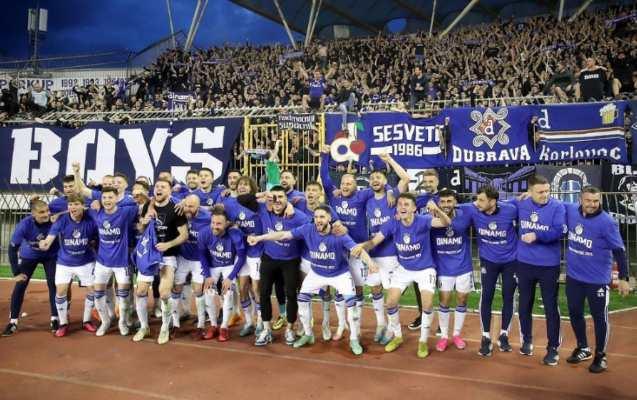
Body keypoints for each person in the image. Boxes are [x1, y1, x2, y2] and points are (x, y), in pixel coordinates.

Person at [249, 205, 376, 355]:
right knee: (302, 300)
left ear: (329, 218)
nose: (318, 220)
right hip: (316, 273)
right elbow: (283, 235)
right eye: (316, 217)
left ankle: (354, 339)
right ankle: (308, 334)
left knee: (351, 306)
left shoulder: (339, 234)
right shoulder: (308, 229)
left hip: (339, 274)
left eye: (322, 217)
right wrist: (259, 238)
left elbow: (357, 250)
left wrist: (370, 263)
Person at [357, 192, 450, 358]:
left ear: (414, 208)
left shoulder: (423, 220)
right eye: (400, 204)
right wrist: (360, 247)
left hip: (425, 269)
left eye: (406, 204)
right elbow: (374, 241)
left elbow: (446, 222)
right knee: (390, 302)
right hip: (404, 269)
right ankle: (398, 336)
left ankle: (423, 341)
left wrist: (437, 210)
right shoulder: (393, 222)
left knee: (427, 304)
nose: (402, 207)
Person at [564, 185, 630, 373]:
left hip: (597, 280)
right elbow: (550, 201)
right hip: (574, 277)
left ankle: (601, 356)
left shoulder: (607, 222)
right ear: (580, 200)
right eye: (588, 200)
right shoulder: (571, 210)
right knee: (575, 313)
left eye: (596, 201)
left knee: (599, 317)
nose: (592, 204)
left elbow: (619, 251)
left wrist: (624, 277)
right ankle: (583, 347)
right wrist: (528, 194)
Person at [513, 175, 565, 365]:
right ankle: (527, 340)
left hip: (548, 266)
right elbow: (500, 203)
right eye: (540, 192)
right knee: (524, 304)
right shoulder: (521, 202)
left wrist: (537, 235)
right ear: (530, 191)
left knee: (550, 307)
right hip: (524, 263)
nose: (545, 195)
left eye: (547, 191)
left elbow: (559, 231)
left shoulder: (557, 206)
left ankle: (553, 348)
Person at [461, 185, 518, 357]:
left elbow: (522, 203)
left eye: (481, 200)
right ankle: (485, 337)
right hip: (488, 261)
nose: (477, 203)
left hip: (511, 262)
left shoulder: (510, 210)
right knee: (486, 296)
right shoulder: (473, 209)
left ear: (492, 201)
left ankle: (504, 335)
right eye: (476, 199)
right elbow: (452, 204)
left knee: (508, 296)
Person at [251, 185, 310, 346]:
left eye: (281, 197)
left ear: (287, 199)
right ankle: (266, 329)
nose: (277, 200)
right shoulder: (263, 209)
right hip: (269, 258)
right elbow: (242, 199)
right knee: (264, 293)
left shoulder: (298, 217)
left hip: (290, 260)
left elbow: (309, 232)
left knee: (291, 294)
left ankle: (290, 328)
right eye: (274, 197)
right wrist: (264, 194)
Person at [364, 153, 410, 344]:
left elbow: (405, 178)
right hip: (373, 253)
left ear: (385, 181)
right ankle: (381, 324)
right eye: (372, 178)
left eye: (379, 177)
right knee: (375, 290)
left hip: (390, 253)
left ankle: (392, 329)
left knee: (391, 295)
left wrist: (389, 160)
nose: (375, 180)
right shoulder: (366, 198)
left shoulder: (393, 196)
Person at [38, 194, 99, 337]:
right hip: (65, 262)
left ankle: (86, 321)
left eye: (76, 204)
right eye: (70, 204)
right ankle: (63, 323)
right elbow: (49, 240)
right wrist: (44, 244)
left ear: (82, 206)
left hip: (86, 261)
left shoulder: (91, 220)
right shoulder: (62, 220)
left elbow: (99, 236)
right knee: (60, 291)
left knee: (92, 290)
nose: (73, 207)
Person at [136, 178, 188, 344]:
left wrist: (168, 244)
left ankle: (165, 327)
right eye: (157, 186)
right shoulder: (148, 206)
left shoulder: (176, 208)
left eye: (163, 187)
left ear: (170, 191)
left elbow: (184, 235)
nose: (159, 189)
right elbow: (140, 228)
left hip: (167, 256)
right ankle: (144, 327)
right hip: (148, 254)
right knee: (140, 291)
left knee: (165, 293)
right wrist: (143, 223)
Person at [2, 199, 58, 336]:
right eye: (41, 212)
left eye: (47, 211)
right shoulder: (24, 225)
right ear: (33, 214)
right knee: (20, 285)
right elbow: (12, 248)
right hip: (30, 255)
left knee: (53, 285)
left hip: (51, 255)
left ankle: (55, 319)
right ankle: (13, 322)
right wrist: (16, 272)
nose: (46, 214)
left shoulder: (55, 220)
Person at [431, 189, 473, 352]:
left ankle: (456, 334)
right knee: (444, 301)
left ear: (455, 202)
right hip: (443, 269)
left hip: (463, 267)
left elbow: (482, 204)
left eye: (449, 201)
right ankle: (444, 336)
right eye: (442, 201)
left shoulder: (465, 214)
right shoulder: (431, 219)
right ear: (438, 202)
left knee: (462, 300)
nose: (446, 204)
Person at [198, 207, 246, 342]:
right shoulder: (204, 233)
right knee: (208, 291)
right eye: (213, 223)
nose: (215, 226)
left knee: (228, 292)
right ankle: (213, 325)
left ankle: (224, 327)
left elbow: (241, 257)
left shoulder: (235, 234)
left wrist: (230, 277)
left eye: (219, 223)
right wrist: (207, 275)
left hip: (229, 265)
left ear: (227, 223)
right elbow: (202, 255)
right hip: (213, 266)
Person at [172, 195, 212, 339]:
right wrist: (182, 202)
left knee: (198, 290)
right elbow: (166, 198)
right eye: (186, 206)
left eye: (191, 207)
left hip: (199, 260)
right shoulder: (179, 211)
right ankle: (175, 324)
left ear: (198, 207)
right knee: (176, 288)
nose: (188, 209)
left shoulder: (207, 217)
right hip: (182, 257)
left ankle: (200, 325)